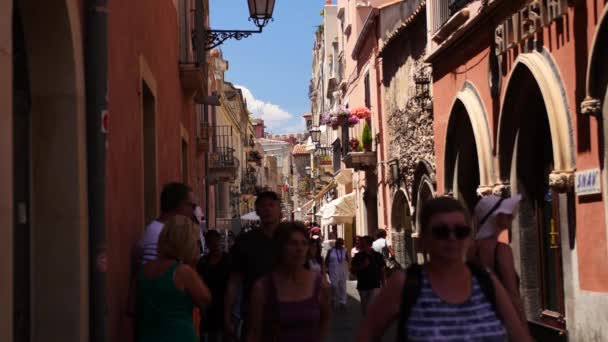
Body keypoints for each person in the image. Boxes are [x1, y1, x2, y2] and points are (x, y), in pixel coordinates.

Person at [356, 197, 532, 342]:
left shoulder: (486, 281)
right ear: (423, 238)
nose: (452, 238)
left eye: (460, 231)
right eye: (441, 231)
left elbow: (520, 337)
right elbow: (367, 335)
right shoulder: (404, 284)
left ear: (468, 236)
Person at [246, 222, 331, 342]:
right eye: (293, 243)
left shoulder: (320, 285)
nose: (299, 249)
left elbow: (324, 322)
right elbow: (254, 333)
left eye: (304, 243)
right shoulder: (262, 288)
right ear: (280, 247)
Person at [136, 216, 212, 342]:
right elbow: (205, 300)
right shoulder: (184, 272)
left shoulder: (143, 270)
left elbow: (131, 308)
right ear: (187, 242)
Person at [224, 191, 283, 340]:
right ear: (256, 211)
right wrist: (227, 315)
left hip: (287, 315)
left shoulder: (290, 239)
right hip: (254, 317)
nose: (267, 209)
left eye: (271, 205)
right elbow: (234, 281)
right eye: (263, 206)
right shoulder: (245, 241)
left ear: (279, 209)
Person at [468, 194, 527, 323]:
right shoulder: (502, 250)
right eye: (506, 214)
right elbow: (512, 295)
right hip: (501, 322)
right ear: (496, 217)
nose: (511, 216)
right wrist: (523, 326)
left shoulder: (470, 249)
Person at [138, 182, 196, 265]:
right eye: (192, 206)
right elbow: (157, 273)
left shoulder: (164, 230)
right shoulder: (158, 234)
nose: (194, 212)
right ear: (179, 205)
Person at [197, 230, 230, 342]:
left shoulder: (228, 260)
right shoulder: (202, 262)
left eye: (217, 242)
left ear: (220, 241)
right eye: (211, 243)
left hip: (224, 305)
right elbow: (199, 283)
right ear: (207, 244)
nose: (215, 246)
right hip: (208, 307)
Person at [351, 236, 386, 315]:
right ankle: (366, 321)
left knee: (370, 305)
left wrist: (384, 284)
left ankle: (371, 322)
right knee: (364, 306)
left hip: (375, 284)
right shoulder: (358, 256)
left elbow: (382, 270)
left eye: (363, 243)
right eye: (361, 243)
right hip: (362, 285)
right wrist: (362, 266)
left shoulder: (378, 256)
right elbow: (352, 270)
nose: (361, 244)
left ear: (369, 244)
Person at [324, 238, 349, 309]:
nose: (341, 245)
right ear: (336, 243)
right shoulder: (331, 250)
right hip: (333, 270)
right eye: (340, 243)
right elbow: (326, 260)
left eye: (342, 243)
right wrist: (326, 268)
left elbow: (347, 259)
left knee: (343, 286)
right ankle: (333, 298)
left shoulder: (345, 250)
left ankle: (343, 301)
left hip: (342, 271)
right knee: (334, 285)